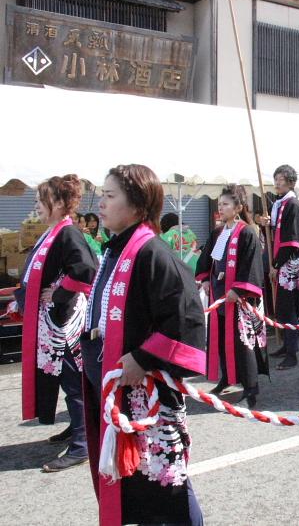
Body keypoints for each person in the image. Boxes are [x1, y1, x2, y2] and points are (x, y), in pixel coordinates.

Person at [81, 164, 205, 525]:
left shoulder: (154, 254)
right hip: (116, 392)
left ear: (137, 206)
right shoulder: (113, 251)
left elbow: (186, 322)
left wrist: (142, 357)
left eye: (109, 196)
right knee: (138, 491)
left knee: (167, 484)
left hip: (143, 395)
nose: (100, 204)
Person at [13, 175, 97, 472]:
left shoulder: (67, 233)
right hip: (51, 320)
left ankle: (83, 443)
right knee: (64, 378)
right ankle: (77, 427)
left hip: (64, 322)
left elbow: (86, 270)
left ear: (60, 203)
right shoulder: (53, 232)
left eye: (41, 199)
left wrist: (60, 292)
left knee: (74, 381)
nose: (36, 204)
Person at [196, 185, 268, 408]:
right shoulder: (218, 232)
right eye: (219, 204)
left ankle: (250, 387)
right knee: (219, 339)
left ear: (238, 207)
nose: (221, 207)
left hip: (238, 297)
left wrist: (239, 290)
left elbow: (252, 266)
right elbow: (207, 258)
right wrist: (205, 279)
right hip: (219, 294)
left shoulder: (247, 232)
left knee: (241, 342)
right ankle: (227, 377)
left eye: (225, 204)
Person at [267, 164, 299, 370]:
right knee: (281, 306)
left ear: (291, 182)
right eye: (275, 178)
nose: (276, 182)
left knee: (288, 307)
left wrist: (276, 265)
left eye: (280, 179)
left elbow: (292, 241)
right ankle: (285, 345)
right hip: (282, 261)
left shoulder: (293, 204)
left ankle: (292, 352)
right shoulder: (280, 204)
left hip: (289, 262)